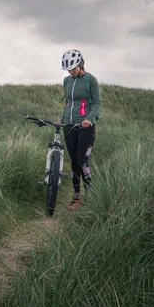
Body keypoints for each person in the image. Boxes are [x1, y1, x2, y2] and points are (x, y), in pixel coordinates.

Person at [60, 49, 101, 208]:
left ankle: (90, 195)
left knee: (82, 161)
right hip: (69, 126)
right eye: (68, 69)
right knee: (73, 162)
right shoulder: (67, 81)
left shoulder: (90, 80)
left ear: (81, 63)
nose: (71, 71)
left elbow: (97, 103)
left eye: (73, 68)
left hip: (85, 127)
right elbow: (68, 103)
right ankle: (76, 196)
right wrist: (62, 119)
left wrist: (89, 119)